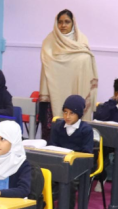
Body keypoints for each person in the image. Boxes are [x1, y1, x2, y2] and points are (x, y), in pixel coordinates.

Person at [39, 9, 99, 141]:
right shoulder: (49, 42)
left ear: (73, 23)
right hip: (53, 99)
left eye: (67, 22)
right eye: (60, 22)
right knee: (53, 136)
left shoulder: (81, 41)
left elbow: (85, 64)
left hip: (77, 97)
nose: (63, 25)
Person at [49, 95, 94, 209]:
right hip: (58, 166)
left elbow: (86, 154)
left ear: (79, 114)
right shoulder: (57, 127)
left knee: (69, 183)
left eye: (71, 113)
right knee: (41, 178)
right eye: (65, 112)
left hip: (77, 169)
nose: (67, 116)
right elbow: (51, 147)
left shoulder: (86, 130)